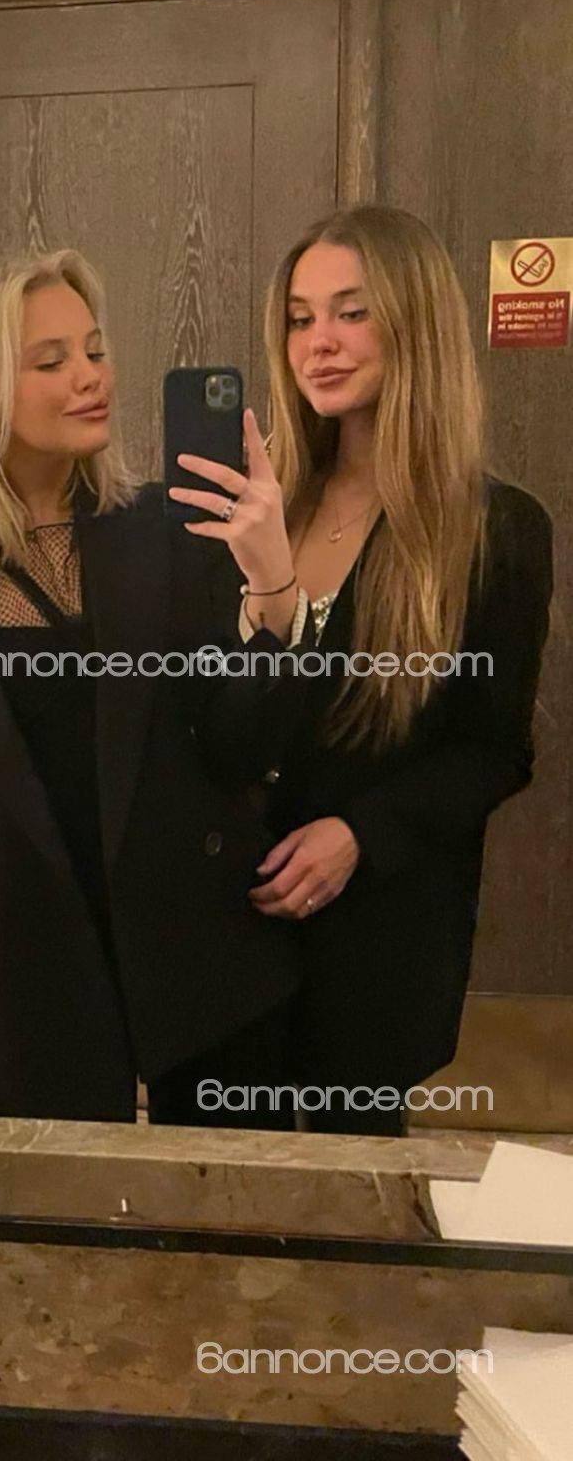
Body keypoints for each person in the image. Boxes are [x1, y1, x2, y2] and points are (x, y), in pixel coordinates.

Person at [0, 248, 312, 1123]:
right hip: (32, 991)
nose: (91, 377)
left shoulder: (167, 533)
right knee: (69, 1209)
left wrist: (272, 589)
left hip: (203, 973)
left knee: (229, 1203)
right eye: (51, 361)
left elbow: (240, 749)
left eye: (95, 350)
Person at [239, 205, 553, 1135]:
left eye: (353, 312)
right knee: (218, 1190)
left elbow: (495, 751)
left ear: (415, 323)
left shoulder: (494, 531)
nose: (319, 343)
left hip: (375, 940)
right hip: (227, 933)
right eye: (300, 318)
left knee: (353, 1194)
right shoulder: (259, 507)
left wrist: (360, 835)